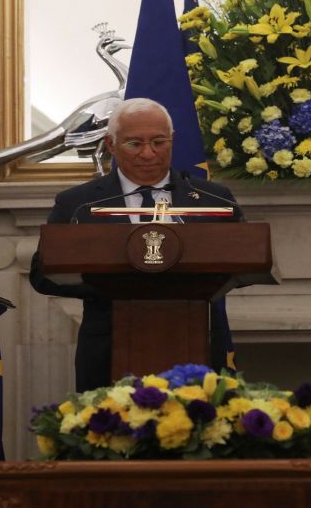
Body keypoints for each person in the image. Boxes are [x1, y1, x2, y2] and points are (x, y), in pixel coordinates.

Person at [29, 97, 243, 391]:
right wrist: (115, 283)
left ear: (173, 140)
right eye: (134, 144)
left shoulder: (211, 198)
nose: (148, 153)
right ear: (111, 144)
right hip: (107, 348)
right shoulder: (78, 203)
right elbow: (42, 275)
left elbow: (245, 258)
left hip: (199, 343)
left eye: (159, 142)